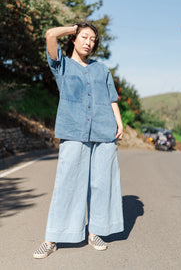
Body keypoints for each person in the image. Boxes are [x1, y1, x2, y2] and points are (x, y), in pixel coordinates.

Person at [33, 22, 124, 259]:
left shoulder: (102, 69)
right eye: (85, 37)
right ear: (74, 39)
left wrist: (119, 122)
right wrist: (74, 27)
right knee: (67, 183)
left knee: (103, 184)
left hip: (105, 132)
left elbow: (112, 98)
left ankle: (95, 232)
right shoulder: (61, 64)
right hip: (74, 131)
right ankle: (51, 238)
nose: (89, 42)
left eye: (93, 40)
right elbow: (50, 34)